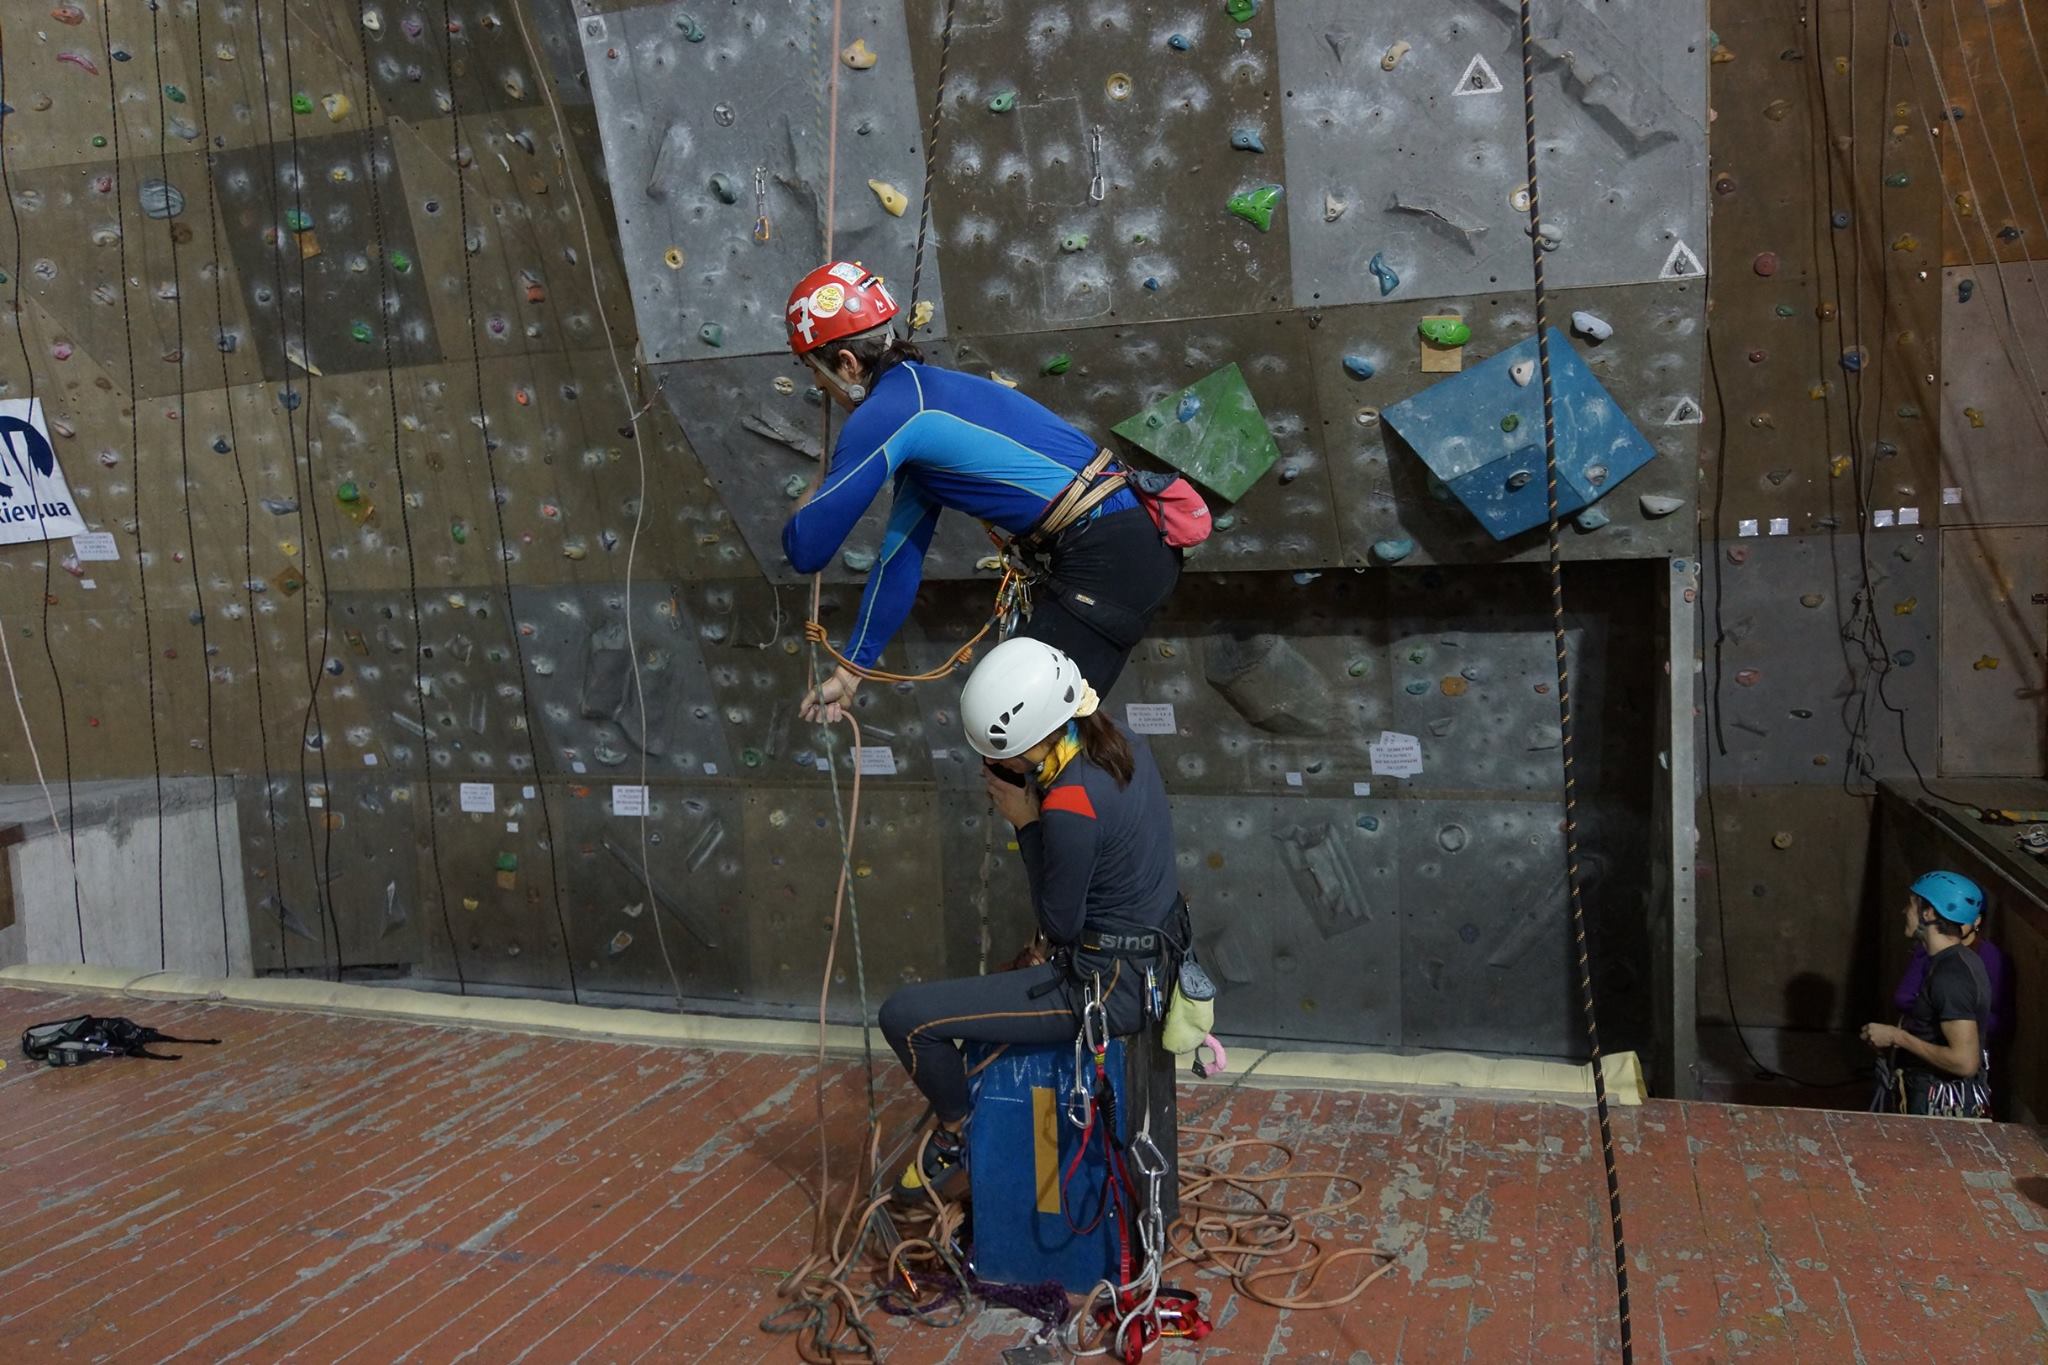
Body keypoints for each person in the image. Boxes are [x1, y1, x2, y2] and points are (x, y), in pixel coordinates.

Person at [779, 261, 1183, 721]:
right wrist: (852, 671)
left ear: (847, 364)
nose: (815, 383)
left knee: (1020, 737)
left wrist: (806, 499)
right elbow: (899, 559)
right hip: (1124, 545)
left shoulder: (890, 413)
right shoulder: (924, 400)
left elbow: (808, 550)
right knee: (1055, 733)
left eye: (812, 368)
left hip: (1107, 554)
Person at [876, 637, 1185, 1202]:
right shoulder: (1122, 741)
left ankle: (956, 1130)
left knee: (906, 1017)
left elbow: (1061, 924)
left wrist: (1026, 822)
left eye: (998, 756)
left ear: (1022, 746)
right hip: (1151, 963)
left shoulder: (1068, 804)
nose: (995, 766)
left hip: (1105, 988)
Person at [1860, 872, 1993, 1117]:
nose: (1904, 912)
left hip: (1936, 1103)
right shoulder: (1956, 961)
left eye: (1910, 905)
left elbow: (1964, 1061)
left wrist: (1897, 1037)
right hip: (1930, 1095)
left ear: (1929, 913)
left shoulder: (1952, 976)